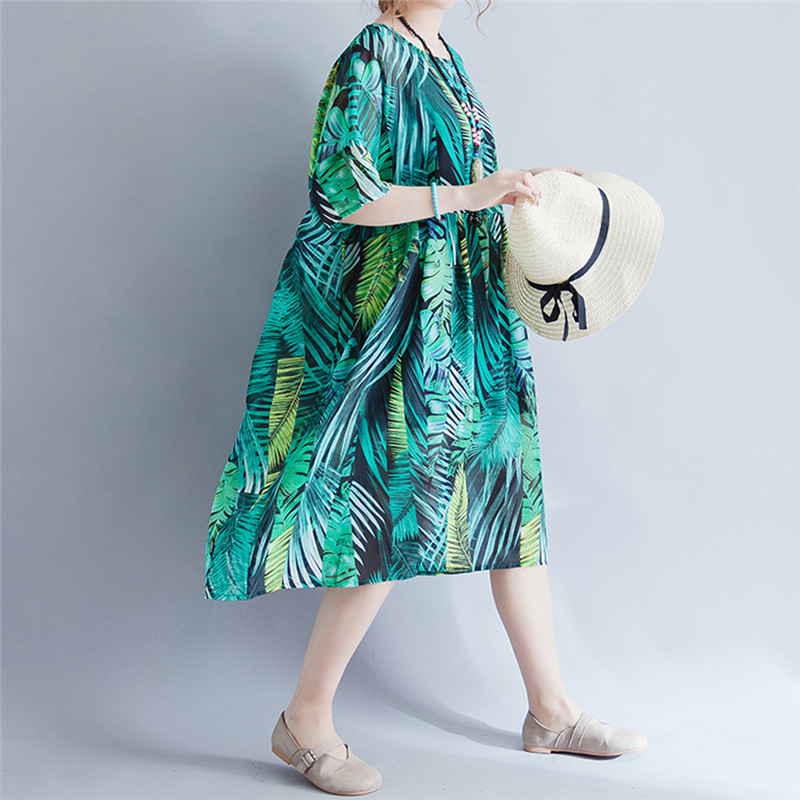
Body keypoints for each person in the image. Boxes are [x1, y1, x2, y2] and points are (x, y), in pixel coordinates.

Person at [204, 0, 647, 794]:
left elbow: (455, 184)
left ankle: (550, 711)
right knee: (390, 503)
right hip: (405, 317)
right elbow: (343, 194)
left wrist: (524, 187)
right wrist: (469, 197)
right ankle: (305, 718)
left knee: (507, 494)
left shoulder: (442, 53)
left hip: (468, 309)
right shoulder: (374, 53)